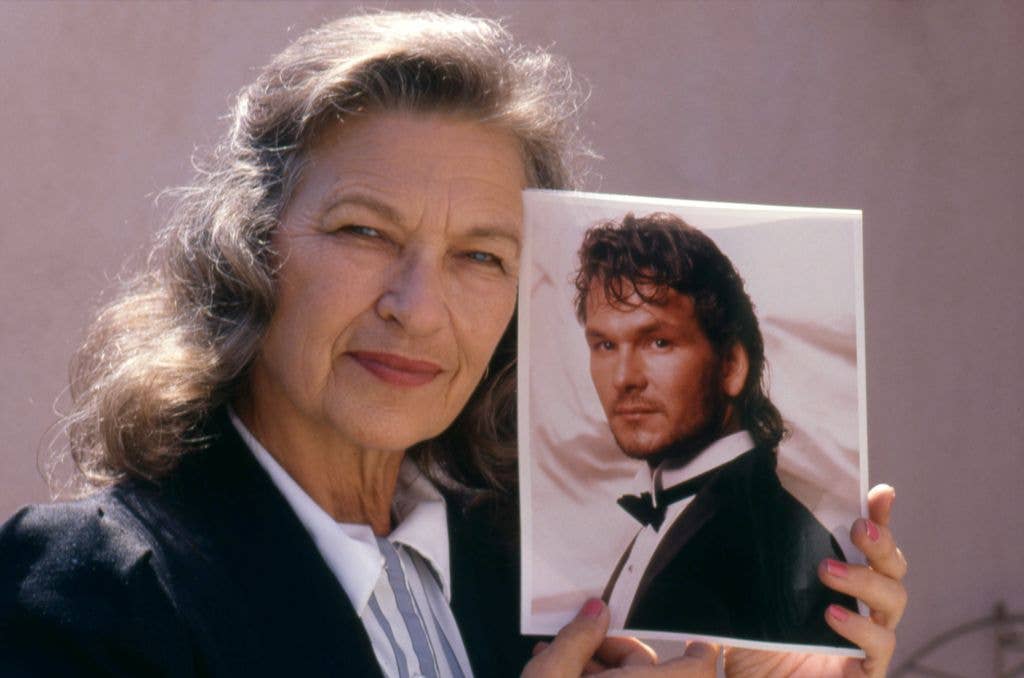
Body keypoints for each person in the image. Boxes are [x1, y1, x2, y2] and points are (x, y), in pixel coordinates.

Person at [0, 10, 906, 678]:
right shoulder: (87, 592)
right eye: (362, 231)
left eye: (480, 255)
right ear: (248, 247)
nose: (418, 307)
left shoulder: (551, 584)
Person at [574, 212, 857, 646]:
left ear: (731, 366)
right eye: (606, 345)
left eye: (658, 342)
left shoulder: (769, 541)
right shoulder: (697, 511)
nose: (624, 378)